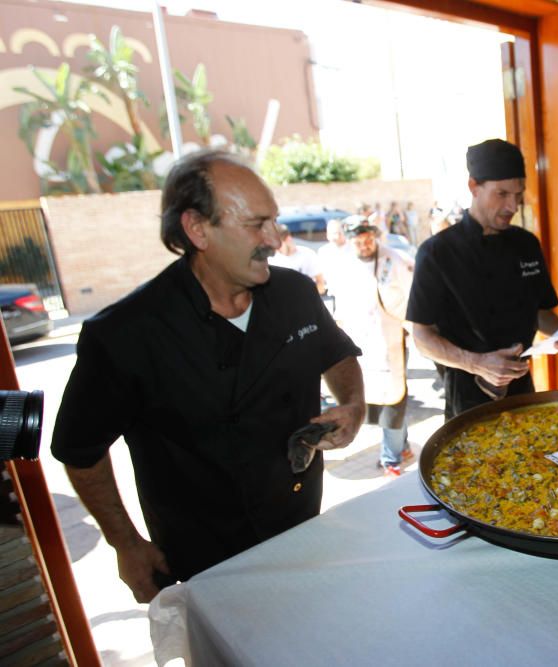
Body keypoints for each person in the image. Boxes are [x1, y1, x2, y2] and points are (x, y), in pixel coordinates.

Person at [50, 150, 366, 602]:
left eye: (274, 221)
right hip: (206, 556)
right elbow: (81, 452)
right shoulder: (128, 333)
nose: (276, 239)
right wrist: (126, 544)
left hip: (302, 526)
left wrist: (353, 406)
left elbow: (337, 356)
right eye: (257, 224)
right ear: (197, 229)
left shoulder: (295, 293)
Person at [406, 138, 558, 419]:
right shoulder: (437, 252)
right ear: (473, 187)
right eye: (502, 194)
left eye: (518, 194)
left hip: (523, 388)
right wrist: (476, 363)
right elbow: (421, 337)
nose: (512, 205)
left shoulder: (526, 244)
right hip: (468, 394)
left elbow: (540, 312)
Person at [328, 215, 415, 476]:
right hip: (360, 344)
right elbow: (339, 303)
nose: (364, 245)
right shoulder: (341, 263)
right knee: (376, 401)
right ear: (351, 240)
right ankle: (403, 445)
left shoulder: (393, 260)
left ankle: (391, 459)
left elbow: (411, 296)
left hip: (390, 342)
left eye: (368, 239)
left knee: (394, 401)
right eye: (359, 241)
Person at [269, 223, 325, 294]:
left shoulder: (307, 254)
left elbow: (320, 283)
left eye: (279, 245)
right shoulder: (271, 260)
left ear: (288, 239)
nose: (277, 249)